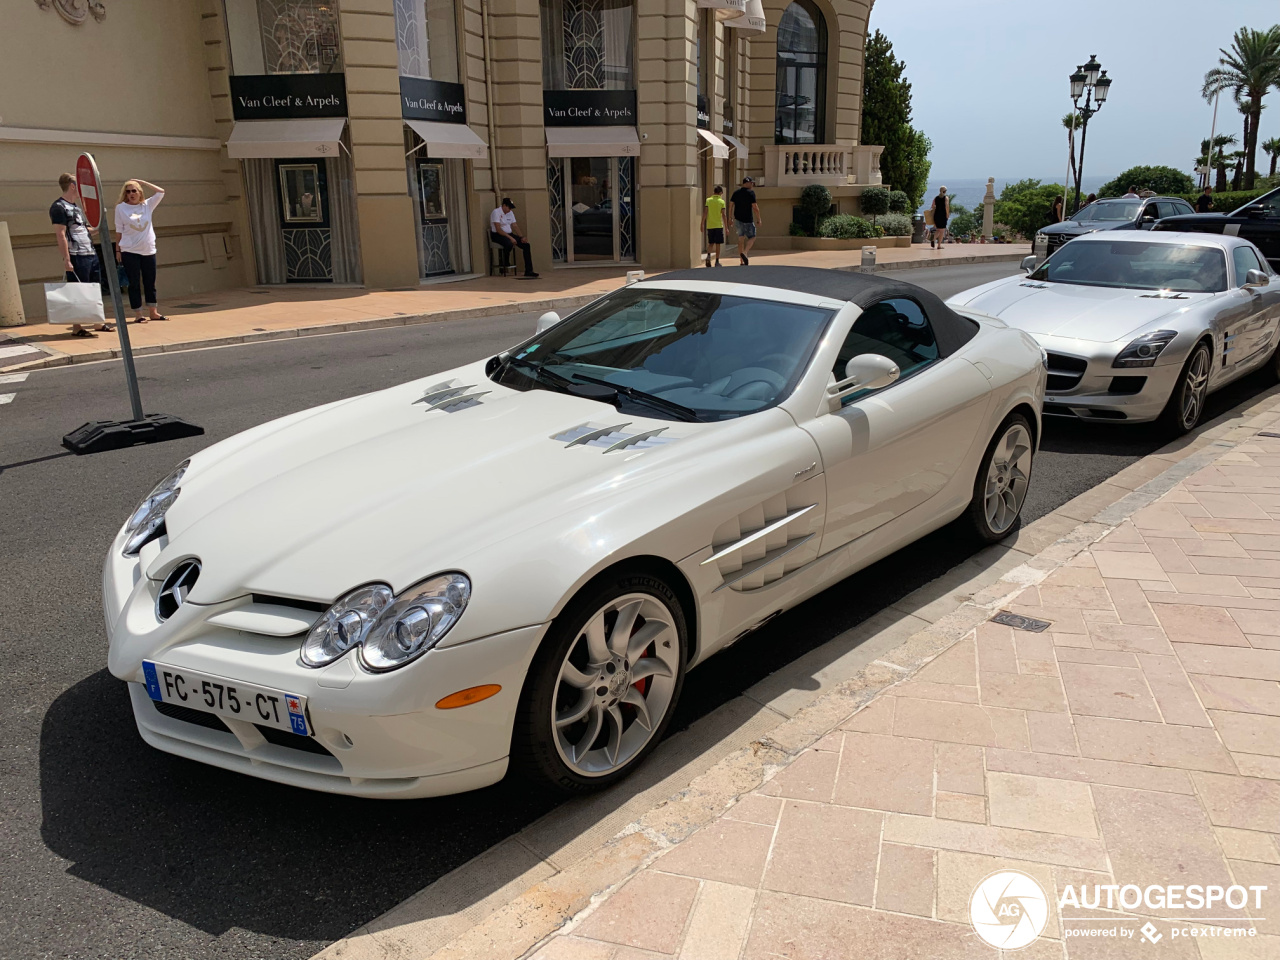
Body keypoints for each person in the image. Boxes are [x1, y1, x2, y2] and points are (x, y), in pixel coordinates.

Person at [50, 172, 112, 336]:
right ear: (72, 186)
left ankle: (98, 322)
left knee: (94, 288)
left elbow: (83, 230)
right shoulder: (59, 207)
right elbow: (60, 234)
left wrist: (99, 226)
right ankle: (77, 327)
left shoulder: (77, 207)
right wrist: (67, 259)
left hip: (90, 253)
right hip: (76, 255)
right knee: (78, 290)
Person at [113, 179, 168, 323]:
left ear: (139, 192)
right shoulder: (121, 208)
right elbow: (118, 231)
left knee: (150, 282)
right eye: (128, 191)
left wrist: (143, 182)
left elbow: (161, 192)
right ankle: (138, 314)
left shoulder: (147, 205)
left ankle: (153, 311)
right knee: (134, 283)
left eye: (134, 191)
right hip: (129, 250)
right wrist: (117, 250)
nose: (131, 194)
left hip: (148, 249)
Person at [489, 197, 538, 279]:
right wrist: (510, 238)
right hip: (498, 235)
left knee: (526, 245)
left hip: (509, 233)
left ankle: (529, 270)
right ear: (504, 205)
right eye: (509, 207)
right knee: (509, 243)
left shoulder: (510, 213)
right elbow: (498, 229)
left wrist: (521, 237)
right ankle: (505, 261)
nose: (510, 210)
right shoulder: (496, 212)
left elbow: (515, 225)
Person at [728, 176, 761, 265]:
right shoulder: (751, 193)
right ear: (747, 183)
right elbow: (755, 207)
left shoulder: (736, 193)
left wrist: (730, 218)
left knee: (740, 239)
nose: (752, 184)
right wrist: (759, 219)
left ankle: (741, 260)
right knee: (752, 237)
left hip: (738, 219)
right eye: (751, 183)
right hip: (748, 220)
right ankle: (745, 252)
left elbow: (731, 205)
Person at [701, 184, 727, 267]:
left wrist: (702, 223)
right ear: (720, 193)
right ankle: (717, 261)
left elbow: (705, 212)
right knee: (718, 244)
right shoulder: (721, 201)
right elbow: (723, 214)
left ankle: (708, 256)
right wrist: (726, 227)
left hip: (710, 225)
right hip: (718, 225)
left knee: (711, 243)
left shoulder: (708, 200)